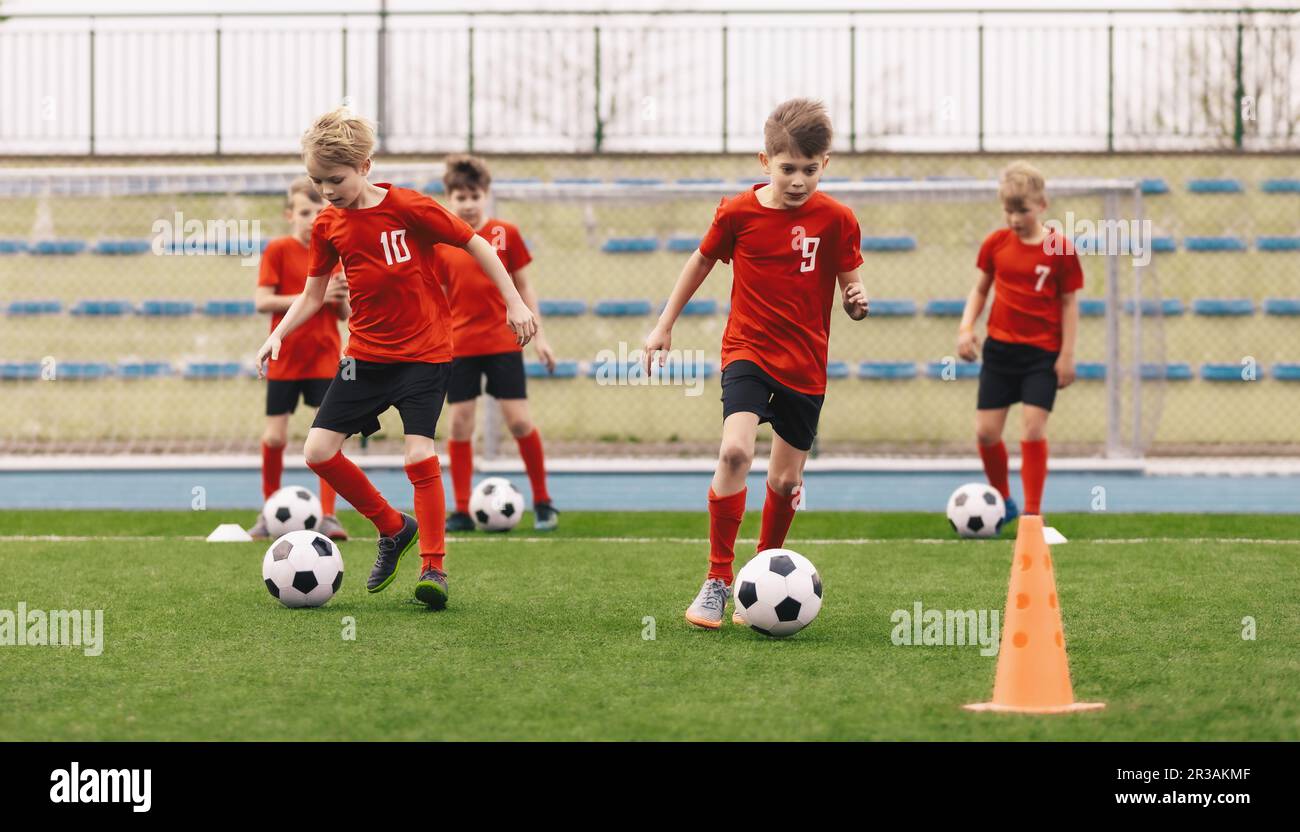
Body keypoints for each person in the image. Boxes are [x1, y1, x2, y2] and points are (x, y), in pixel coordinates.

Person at [256, 109, 537, 610]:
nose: (327, 190)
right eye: (317, 181)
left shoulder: (409, 207)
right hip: (363, 356)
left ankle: (434, 568)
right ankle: (391, 526)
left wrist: (515, 301)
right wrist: (277, 333)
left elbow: (476, 244)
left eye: (335, 180)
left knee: (419, 455)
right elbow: (312, 294)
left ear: (365, 166)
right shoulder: (327, 225)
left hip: (425, 356)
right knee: (318, 451)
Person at [642, 98, 869, 630]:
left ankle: (762, 572)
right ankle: (719, 580)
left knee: (787, 483)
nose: (797, 181)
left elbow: (850, 278)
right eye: (787, 168)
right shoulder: (737, 213)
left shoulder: (837, 219)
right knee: (735, 452)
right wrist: (663, 324)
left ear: (825, 165)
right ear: (764, 161)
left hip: (806, 366)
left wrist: (856, 299)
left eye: (809, 170)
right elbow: (700, 260)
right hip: (747, 351)